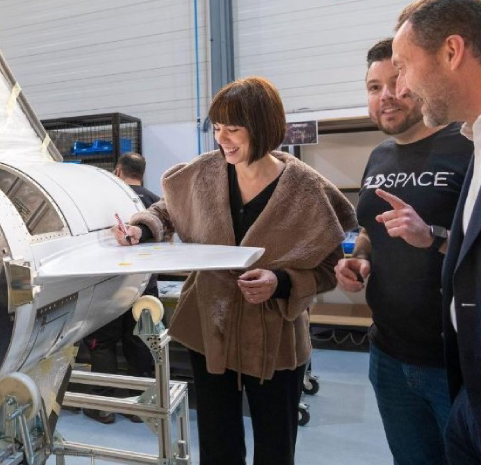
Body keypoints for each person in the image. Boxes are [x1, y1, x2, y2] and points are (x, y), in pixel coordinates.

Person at [112, 77, 357, 465]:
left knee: (275, 446)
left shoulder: (306, 190)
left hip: (274, 339)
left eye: (234, 129)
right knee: (217, 440)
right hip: (209, 327)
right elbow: (166, 210)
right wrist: (141, 228)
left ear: (262, 127)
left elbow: (328, 266)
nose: (222, 138)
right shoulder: (204, 172)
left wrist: (281, 282)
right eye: (217, 127)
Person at [334, 38, 472, 465]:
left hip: (455, 362)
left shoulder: (467, 145)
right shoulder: (379, 155)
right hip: (388, 354)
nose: (387, 96)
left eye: (396, 81)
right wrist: (360, 258)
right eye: (374, 88)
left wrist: (430, 233)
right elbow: (371, 228)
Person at [393, 1, 481, 463]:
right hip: (467, 390)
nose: (401, 86)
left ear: (452, 51)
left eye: (404, 66)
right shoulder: (475, 142)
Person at [82, 153, 159, 425]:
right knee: (140, 344)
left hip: (111, 288)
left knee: (103, 344)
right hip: (146, 287)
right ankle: (140, 408)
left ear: (117, 170)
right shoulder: (154, 201)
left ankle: (103, 406)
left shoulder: (105, 199)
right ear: (143, 171)